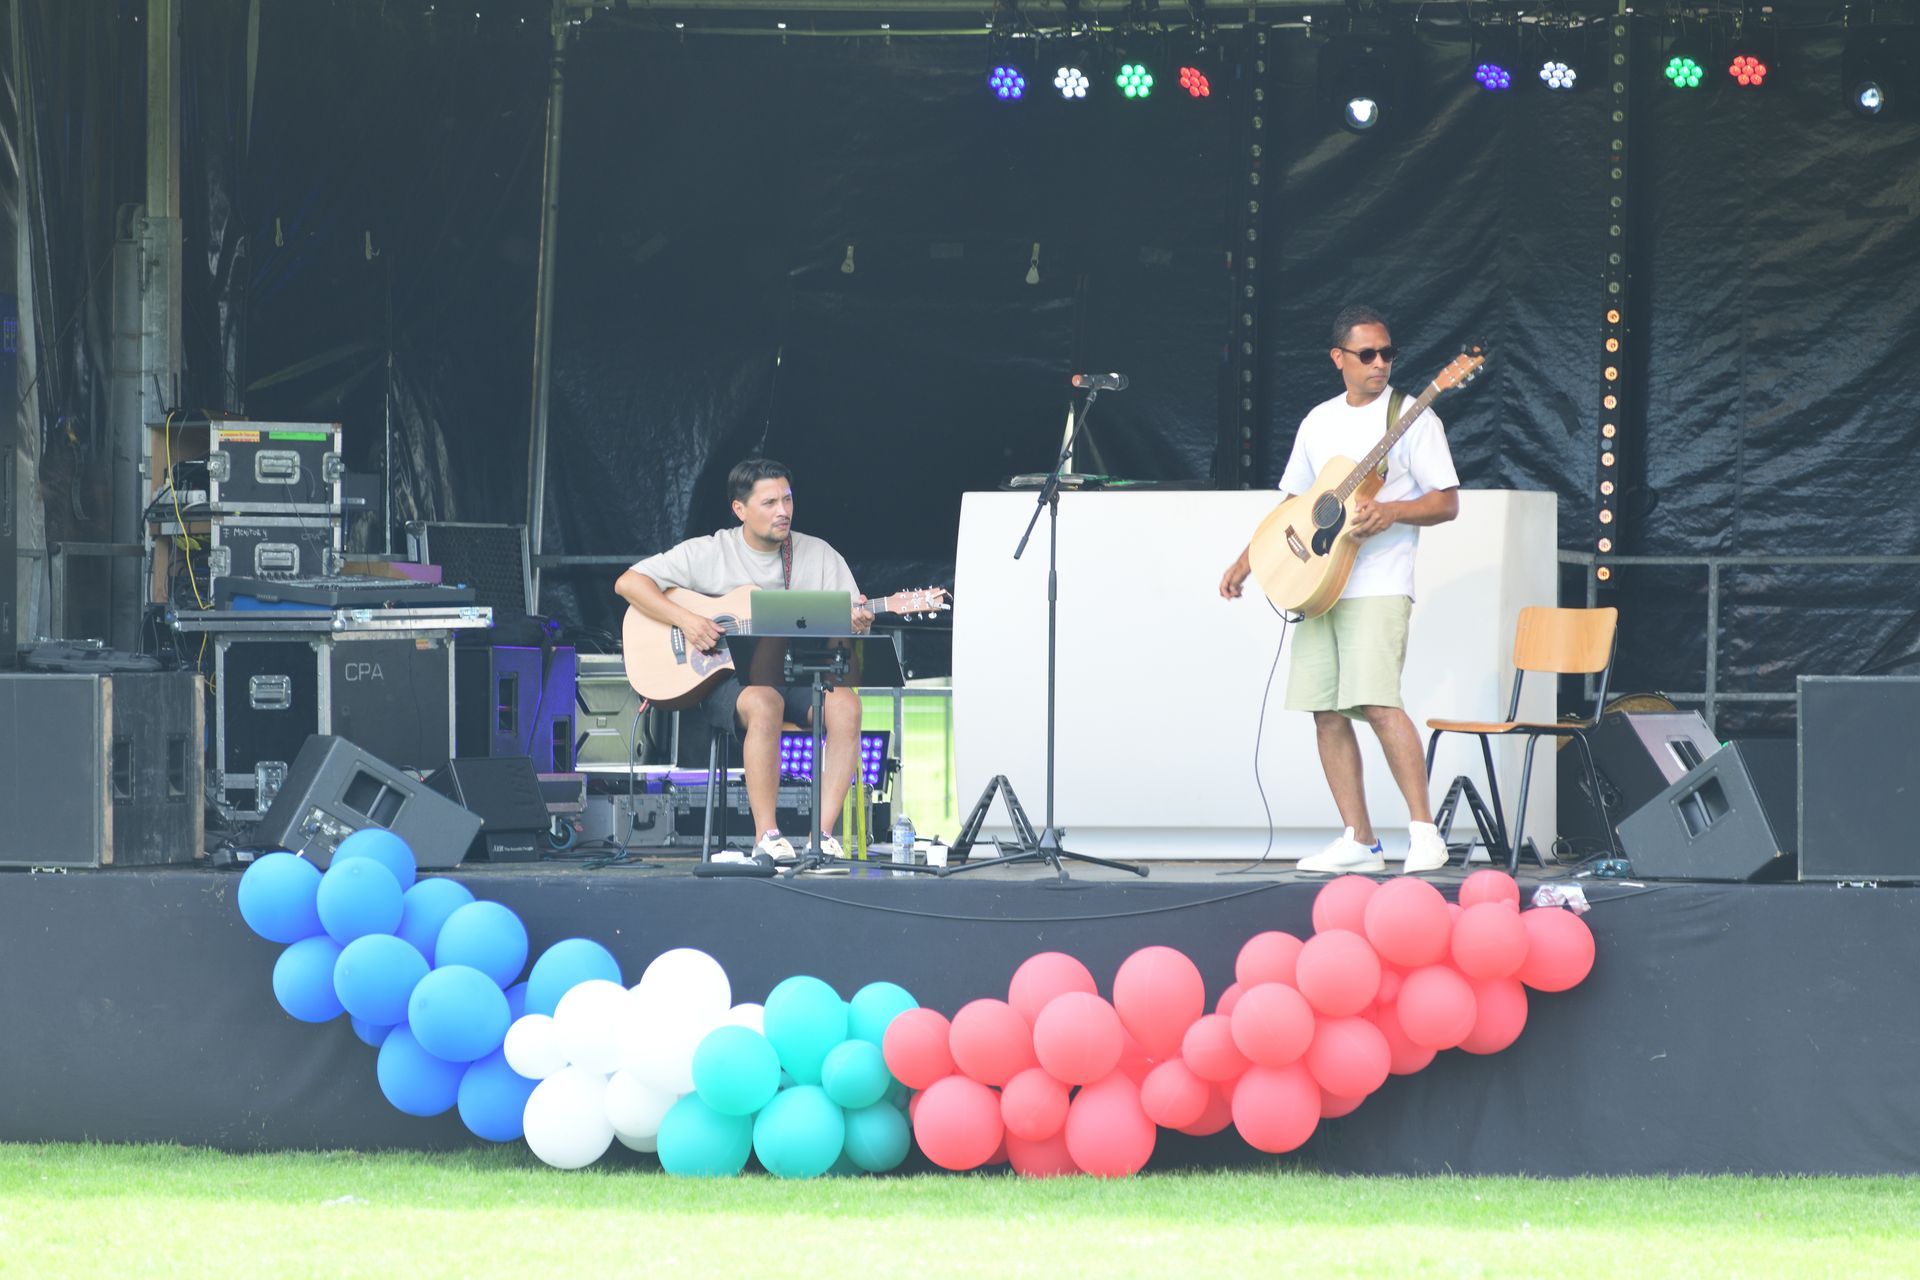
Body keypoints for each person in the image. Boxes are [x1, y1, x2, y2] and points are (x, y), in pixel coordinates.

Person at [1219, 305, 1461, 874]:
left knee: (1378, 703)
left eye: (1387, 353)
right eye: (1367, 354)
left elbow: (1447, 502)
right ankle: (1360, 840)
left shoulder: (1413, 417)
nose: (1381, 364)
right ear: (1339, 358)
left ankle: (1424, 833)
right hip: (1318, 582)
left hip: (1378, 583)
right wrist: (1249, 559)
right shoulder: (1318, 421)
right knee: (1325, 711)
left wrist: (1393, 511)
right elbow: (1297, 503)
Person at [616, 457, 871, 866]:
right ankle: (767, 837)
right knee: (764, 700)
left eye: (788, 500)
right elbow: (629, 582)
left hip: (795, 671)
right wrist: (687, 620)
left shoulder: (819, 556)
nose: (783, 511)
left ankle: (821, 838)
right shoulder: (710, 552)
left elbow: (847, 634)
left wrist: (857, 624)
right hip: (727, 679)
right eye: (769, 503)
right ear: (740, 509)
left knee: (847, 705)